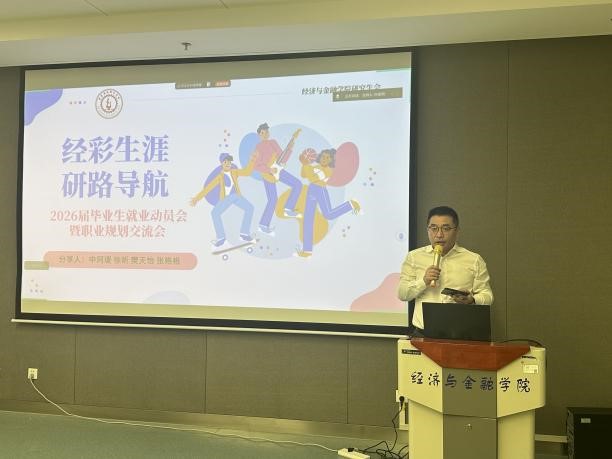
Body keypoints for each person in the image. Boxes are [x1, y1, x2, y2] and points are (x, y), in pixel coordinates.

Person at [397, 206, 493, 332]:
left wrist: (472, 300)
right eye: (434, 228)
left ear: (457, 231)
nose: (439, 235)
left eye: (446, 228)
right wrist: (424, 281)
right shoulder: (414, 257)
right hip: (423, 334)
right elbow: (403, 294)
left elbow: (488, 296)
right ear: (428, 230)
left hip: (462, 332)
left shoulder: (474, 259)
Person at [295, 148, 360, 258]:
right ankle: (307, 251)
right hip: (312, 190)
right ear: (319, 157)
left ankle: (351, 204)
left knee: (328, 214)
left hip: (320, 191)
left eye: (327, 157)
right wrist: (304, 164)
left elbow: (313, 178)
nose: (324, 159)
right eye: (323, 156)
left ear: (331, 160)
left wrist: (306, 165)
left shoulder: (328, 170)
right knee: (308, 220)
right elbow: (303, 175)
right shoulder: (315, 167)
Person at [190, 152, 256, 251]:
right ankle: (222, 239)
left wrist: (252, 160)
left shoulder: (234, 172)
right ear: (221, 163)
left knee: (250, 208)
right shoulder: (220, 176)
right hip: (227, 198)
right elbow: (208, 188)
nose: (228, 164)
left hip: (236, 196)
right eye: (225, 162)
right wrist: (196, 199)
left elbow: (247, 172)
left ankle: (243, 234)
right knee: (214, 213)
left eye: (229, 162)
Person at [252, 123, 303, 236]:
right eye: (262, 133)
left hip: (279, 169)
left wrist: (290, 147)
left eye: (267, 132)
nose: (265, 134)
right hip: (268, 174)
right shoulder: (258, 147)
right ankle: (263, 225)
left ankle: (288, 209)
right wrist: (269, 170)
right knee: (273, 199)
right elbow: (256, 166)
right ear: (259, 135)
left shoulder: (273, 142)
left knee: (297, 184)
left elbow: (282, 158)